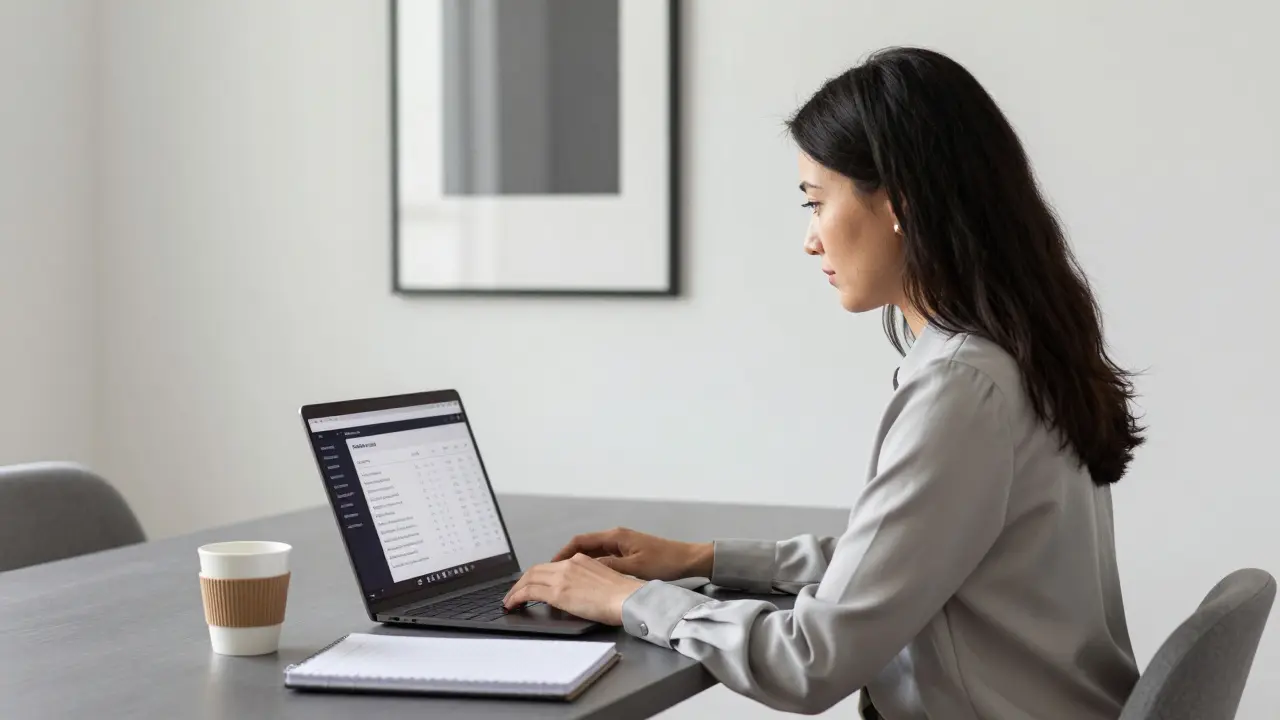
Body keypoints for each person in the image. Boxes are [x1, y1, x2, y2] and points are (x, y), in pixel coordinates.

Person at [502, 46, 1144, 719]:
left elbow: (809, 662)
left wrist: (627, 600)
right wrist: (701, 558)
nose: (811, 240)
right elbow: (901, 561)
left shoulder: (962, 388)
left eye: (816, 203)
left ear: (899, 204)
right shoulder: (1015, 354)